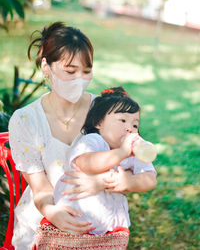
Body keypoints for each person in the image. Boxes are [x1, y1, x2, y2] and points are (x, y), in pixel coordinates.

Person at [8, 22, 156, 250]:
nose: (80, 79)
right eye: (70, 71)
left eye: (86, 71)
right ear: (46, 67)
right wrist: (53, 212)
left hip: (98, 230)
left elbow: (134, 161)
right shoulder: (26, 120)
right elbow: (41, 189)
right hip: (43, 223)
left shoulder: (107, 111)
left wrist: (106, 182)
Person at [33, 87, 157, 250]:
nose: (130, 128)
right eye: (122, 121)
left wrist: (127, 181)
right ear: (99, 123)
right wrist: (121, 153)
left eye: (135, 124)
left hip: (109, 231)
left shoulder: (132, 151)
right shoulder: (93, 141)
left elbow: (150, 180)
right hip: (73, 223)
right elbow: (86, 163)